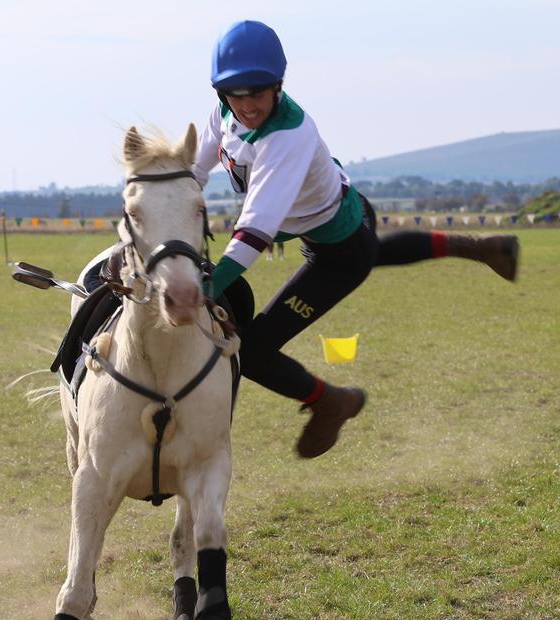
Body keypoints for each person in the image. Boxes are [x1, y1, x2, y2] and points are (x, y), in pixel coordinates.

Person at [193, 20, 519, 459]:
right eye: (236, 93)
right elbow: (191, 170)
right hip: (338, 221)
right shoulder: (224, 113)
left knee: (252, 352)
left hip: (339, 252)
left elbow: (254, 231)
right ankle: (480, 247)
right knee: (374, 251)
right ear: (220, 93)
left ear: (279, 85)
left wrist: (208, 288)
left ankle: (330, 401)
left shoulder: (288, 136)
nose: (247, 105)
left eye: (259, 92)